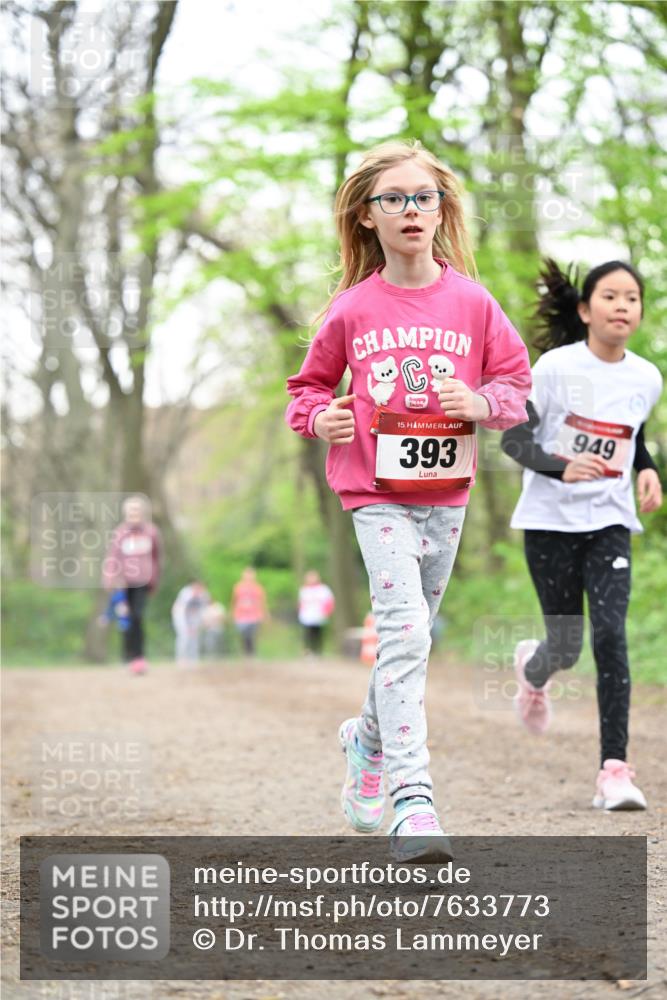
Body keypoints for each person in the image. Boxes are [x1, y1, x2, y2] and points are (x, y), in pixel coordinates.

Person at [285, 139, 531, 861]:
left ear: (441, 208)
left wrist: (479, 400)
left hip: (445, 493)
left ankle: (363, 742)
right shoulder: (352, 308)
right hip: (373, 493)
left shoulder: (473, 303)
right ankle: (413, 802)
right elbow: (306, 389)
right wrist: (319, 417)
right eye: (392, 199)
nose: (410, 210)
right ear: (366, 216)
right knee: (404, 631)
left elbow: (516, 389)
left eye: (422, 197)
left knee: (413, 634)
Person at [501, 258, 663, 811]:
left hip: (611, 523)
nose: (623, 306)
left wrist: (646, 467)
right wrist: (559, 467)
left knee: (610, 635)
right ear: (584, 309)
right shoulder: (553, 369)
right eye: (611, 296)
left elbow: (632, 434)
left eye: (633, 298)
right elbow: (513, 439)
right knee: (566, 646)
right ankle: (533, 668)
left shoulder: (647, 377)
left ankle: (613, 771)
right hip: (550, 524)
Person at [102, 495, 162, 675]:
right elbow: (113, 556)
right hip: (124, 581)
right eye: (130, 510)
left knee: (138, 616)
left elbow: (157, 558)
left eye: (137, 509)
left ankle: (139, 656)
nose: (134, 513)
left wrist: (154, 580)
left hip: (143, 581)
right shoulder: (120, 533)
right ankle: (128, 656)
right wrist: (110, 577)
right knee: (126, 620)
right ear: (125, 512)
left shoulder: (151, 532)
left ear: (143, 512)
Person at [171, 581, 211, 667]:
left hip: (193, 617)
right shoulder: (186, 593)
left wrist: (197, 625)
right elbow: (184, 611)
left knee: (194, 636)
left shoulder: (203, 595)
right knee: (184, 635)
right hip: (180, 615)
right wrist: (188, 626)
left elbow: (201, 612)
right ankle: (181, 659)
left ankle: (193, 658)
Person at [231, 568, 267, 656]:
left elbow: (262, 602)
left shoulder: (258, 588)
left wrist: (263, 613)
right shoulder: (238, 587)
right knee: (243, 635)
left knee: (252, 636)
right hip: (241, 616)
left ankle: (252, 653)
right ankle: (245, 653)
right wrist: (233, 613)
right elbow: (234, 601)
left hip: (254, 616)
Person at [298, 570, 335, 656]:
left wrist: (326, 611)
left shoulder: (323, 589)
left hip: (318, 615)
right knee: (307, 634)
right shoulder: (304, 590)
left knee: (317, 633)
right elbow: (301, 603)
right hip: (307, 616)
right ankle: (307, 651)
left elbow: (329, 601)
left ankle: (317, 651)